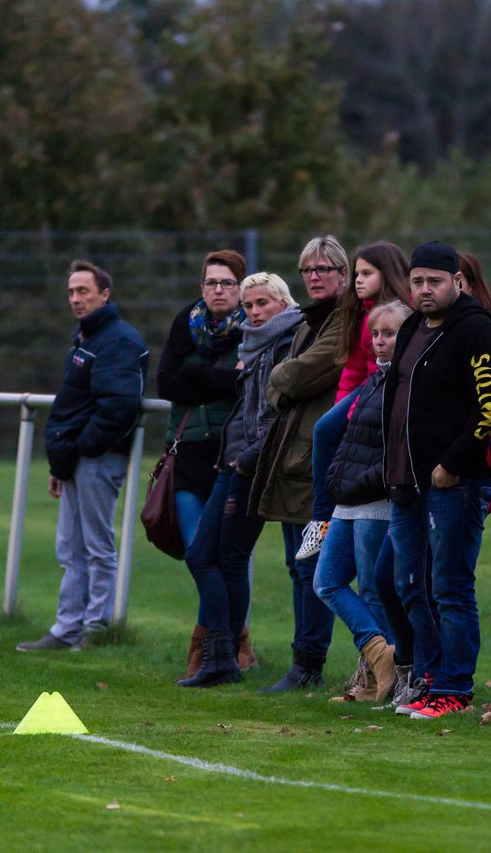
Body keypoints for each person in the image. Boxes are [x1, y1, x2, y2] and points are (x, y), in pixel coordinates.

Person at [386, 241, 491, 720]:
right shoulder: (413, 326)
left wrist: (452, 464)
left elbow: (490, 408)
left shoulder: (477, 331)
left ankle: (456, 688)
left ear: (457, 281)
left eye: (435, 281)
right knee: (408, 583)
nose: (424, 289)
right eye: (417, 281)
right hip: (404, 480)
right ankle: (431, 677)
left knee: (451, 586)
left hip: (453, 484)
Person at [179, 273, 304, 688]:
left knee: (204, 556)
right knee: (225, 558)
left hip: (248, 466)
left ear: (283, 304)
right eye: (248, 305)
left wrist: (244, 462)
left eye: (262, 303)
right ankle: (226, 658)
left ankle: (220, 652)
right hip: (234, 462)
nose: (253, 312)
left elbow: (274, 419)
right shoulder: (255, 345)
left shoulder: (284, 344)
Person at [18, 259, 148, 652]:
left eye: (83, 291)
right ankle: (67, 628)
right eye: (71, 292)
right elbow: (75, 405)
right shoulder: (87, 338)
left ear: (104, 295)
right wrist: (63, 461)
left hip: (97, 458)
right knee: (69, 548)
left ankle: (95, 628)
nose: (75, 298)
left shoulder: (119, 340)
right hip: (77, 459)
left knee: (96, 546)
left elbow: (120, 406)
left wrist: (81, 449)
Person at [250, 235, 350, 692]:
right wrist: (282, 379)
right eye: (307, 270)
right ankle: (302, 663)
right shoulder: (311, 320)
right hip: (296, 456)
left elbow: (300, 373)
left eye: (324, 269)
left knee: (314, 569)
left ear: (343, 274)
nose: (314, 277)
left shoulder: (344, 320)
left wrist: (279, 376)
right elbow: (284, 383)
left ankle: (309, 663)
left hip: (321, 459)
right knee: (297, 566)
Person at [157, 249, 250, 675]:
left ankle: (219, 647)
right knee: (199, 553)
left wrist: (195, 375)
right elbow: (165, 383)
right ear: (201, 288)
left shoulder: (254, 326)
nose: (218, 290)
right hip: (187, 455)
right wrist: (217, 381)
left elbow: (244, 387)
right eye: (211, 282)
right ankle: (225, 646)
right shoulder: (185, 322)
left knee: (223, 556)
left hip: (230, 458)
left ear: (241, 288)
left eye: (227, 283)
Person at [314, 300, 412, 703]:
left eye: (389, 334)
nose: (380, 341)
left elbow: (393, 452)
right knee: (328, 581)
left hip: (375, 502)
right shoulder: (373, 380)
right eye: (376, 334)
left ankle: (380, 683)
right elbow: (348, 436)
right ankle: (379, 659)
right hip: (348, 499)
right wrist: (338, 479)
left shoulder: (404, 383)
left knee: (373, 591)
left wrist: (363, 484)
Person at [296, 242, 410, 562]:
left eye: (366, 273)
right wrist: (345, 409)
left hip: (385, 389)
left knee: (322, 431)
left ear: (386, 274)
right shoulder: (357, 311)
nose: (358, 280)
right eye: (357, 273)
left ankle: (321, 518)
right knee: (329, 429)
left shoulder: (403, 310)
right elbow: (354, 367)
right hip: (365, 390)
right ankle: (324, 515)